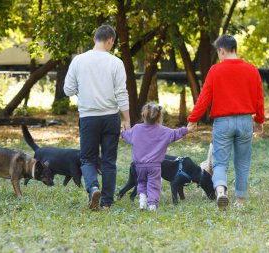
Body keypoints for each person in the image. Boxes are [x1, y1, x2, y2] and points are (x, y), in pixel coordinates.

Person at [187, 34, 265, 210]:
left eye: (218, 52)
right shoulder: (252, 70)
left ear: (222, 51)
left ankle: (221, 192)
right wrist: (259, 120)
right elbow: (259, 98)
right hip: (245, 121)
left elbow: (204, 97)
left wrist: (193, 119)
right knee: (242, 163)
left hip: (223, 123)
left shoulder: (216, 70)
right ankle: (240, 202)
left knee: (220, 162)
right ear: (235, 49)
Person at [64, 24, 131, 211]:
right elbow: (122, 93)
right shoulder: (116, 62)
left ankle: (93, 187)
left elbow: (67, 89)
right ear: (110, 40)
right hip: (110, 117)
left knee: (87, 159)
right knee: (109, 161)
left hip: (88, 118)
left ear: (95, 39)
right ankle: (107, 203)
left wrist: (80, 90)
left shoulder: (79, 61)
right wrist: (127, 120)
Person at [121, 102, 195, 211]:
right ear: (159, 117)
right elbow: (176, 133)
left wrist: (122, 132)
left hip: (139, 165)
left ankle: (142, 202)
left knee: (141, 182)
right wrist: (187, 129)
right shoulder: (163, 131)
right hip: (154, 166)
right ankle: (152, 205)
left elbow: (127, 136)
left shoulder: (136, 129)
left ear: (143, 115)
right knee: (154, 184)